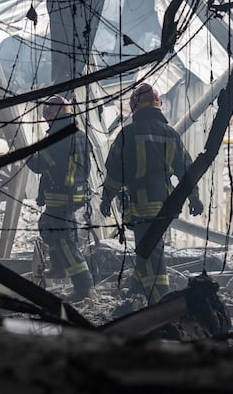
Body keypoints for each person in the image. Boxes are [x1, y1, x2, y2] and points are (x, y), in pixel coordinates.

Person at [99, 83, 203, 304]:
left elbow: (115, 173)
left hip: (139, 204)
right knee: (147, 248)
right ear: (158, 105)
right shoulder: (170, 134)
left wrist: (106, 198)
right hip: (165, 205)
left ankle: (161, 303)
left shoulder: (127, 134)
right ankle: (137, 290)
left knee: (151, 252)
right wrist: (194, 197)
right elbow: (186, 170)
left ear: (134, 107)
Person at [27, 95, 95, 302]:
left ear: (50, 116)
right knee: (47, 225)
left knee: (65, 241)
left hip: (61, 196)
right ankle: (58, 268)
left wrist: (27, 153)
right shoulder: (80, 135)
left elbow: (39, 166)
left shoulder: (57, 138)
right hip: (75, 194)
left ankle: (83, 286)